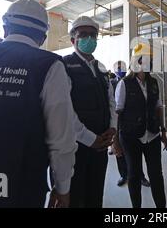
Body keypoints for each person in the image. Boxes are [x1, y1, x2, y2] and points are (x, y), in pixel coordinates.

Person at [0, 0, 111, 208]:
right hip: (13, 186)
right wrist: (63, 188)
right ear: (43, 36)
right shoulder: (48, 65)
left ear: (5, 28)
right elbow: (62, 138)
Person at [63, 16, 118, 208]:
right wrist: (89, 138)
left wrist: (112, 128)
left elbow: (111, 100)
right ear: (73, 40)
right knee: (76, 195)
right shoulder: (64, 66)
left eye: (93, 35)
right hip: (77, 146)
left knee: (96, 194)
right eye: (83, 35)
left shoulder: (101, 68)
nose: (89, 39)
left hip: (102, 143)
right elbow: (64, 110)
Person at [113, 43, 167, 208]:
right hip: (130, 137)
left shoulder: (153, 82)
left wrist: (163, 131)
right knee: (134, 174)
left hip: (152, 135)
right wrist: (115, 142)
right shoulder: (124, 83)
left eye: (149, 59)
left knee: (156, 174)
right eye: (143, 58)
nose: (147, 62)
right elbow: (118, 112)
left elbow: (158, 107)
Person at [110, 61, 150, 188]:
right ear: (114, 69)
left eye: (122, 67)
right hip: (119, 124)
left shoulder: (133, 82)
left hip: (133, 124)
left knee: (135, 157)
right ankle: (123, 175)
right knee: (120, 153)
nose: (120, 69)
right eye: (118, 68)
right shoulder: (112, 83)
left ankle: (141, 176)